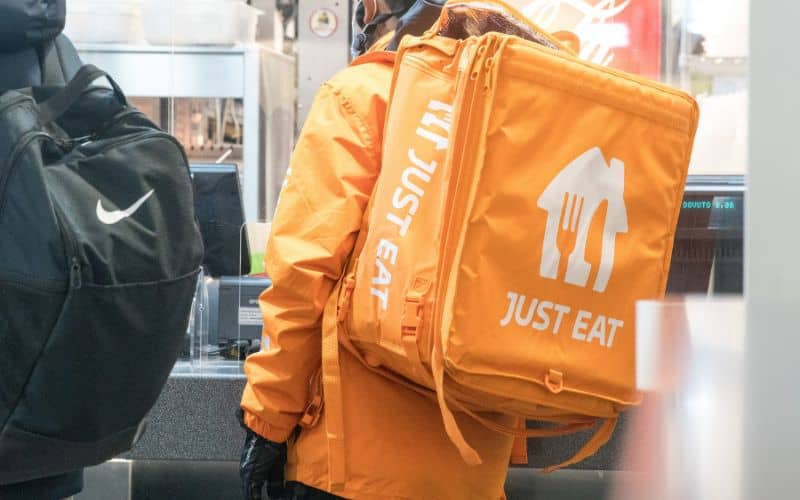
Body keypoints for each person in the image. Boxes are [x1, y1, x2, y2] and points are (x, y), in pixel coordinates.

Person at [239, 1, 518, 499]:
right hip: (475, 459)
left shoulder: (364, 94)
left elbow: (304, 274)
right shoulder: (512, 107)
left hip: (353, 469)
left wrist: (268, 418)